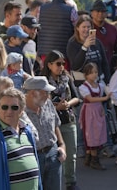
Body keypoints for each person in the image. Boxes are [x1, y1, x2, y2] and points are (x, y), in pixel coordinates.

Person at [0, 88, 41, 190]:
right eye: (4, 107)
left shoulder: (27, 132)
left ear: (21, 110)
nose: (9, 111)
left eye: (14, 107)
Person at [42, 51, 81, 189]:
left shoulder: (67, 78)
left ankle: (71, 182)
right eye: (58, 64)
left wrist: (68, 104)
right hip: (50, 123)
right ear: (49, 65)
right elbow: (39, 101)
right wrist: (55, 106)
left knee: (71, 155)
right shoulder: (43, 81)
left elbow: (77, 97)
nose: (61, 67)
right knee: (54, 156)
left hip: (68, 120)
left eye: (63, 64)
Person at [23, 77, 67, 190]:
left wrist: (62, 145)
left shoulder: (47, 104)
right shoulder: (19, 111)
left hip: (53, 154)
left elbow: (56, 124)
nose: (48, 95)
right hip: (33, 158)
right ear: (32, 93)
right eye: (45, 92)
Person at [78, 63, 110, 170]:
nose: (94, 75)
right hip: (89, 111)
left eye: (95, 72)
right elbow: (90, 99)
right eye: (91, 73)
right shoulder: (84, 87)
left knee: (98, 132)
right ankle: (94, 159)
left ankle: (89, 157)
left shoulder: (100, 85)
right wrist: (105, 99)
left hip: (97, 110)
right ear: (86, 75)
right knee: (91, 133)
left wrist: (102, 107)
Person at [66, 15, 110, 85]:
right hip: (82, 83)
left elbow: (104, 63)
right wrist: (84, 47)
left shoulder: (97, 42)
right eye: (84, 27)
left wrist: (108, 81)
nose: (86, 30)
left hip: (99, 82)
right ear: (77, 28)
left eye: (88, 27)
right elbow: (75, 66)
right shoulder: (72, 43)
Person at [89, 0, 117, 69]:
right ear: (92, 13)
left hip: (110, 66)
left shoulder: (112, 29)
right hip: (92, 68)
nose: (100, 14)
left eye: (103, 11)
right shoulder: (86, 29)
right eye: (97, 11)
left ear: (106, 13)